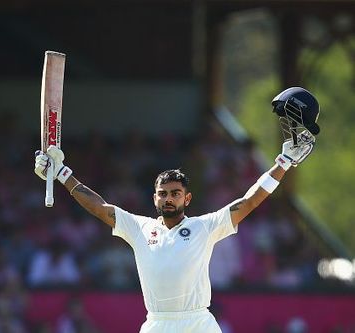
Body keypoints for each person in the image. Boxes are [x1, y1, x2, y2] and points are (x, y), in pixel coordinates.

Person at [34, 90, 318, 332]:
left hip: (198, 323)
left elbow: (248, 201)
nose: (169, 199)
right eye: (163, 194)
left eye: (175, 194)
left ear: (187, 198)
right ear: (154, 198)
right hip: (157, 324)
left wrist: (282, 163)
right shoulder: (140, 228)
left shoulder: (204, 227)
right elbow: (101, 208)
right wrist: (61, 173)